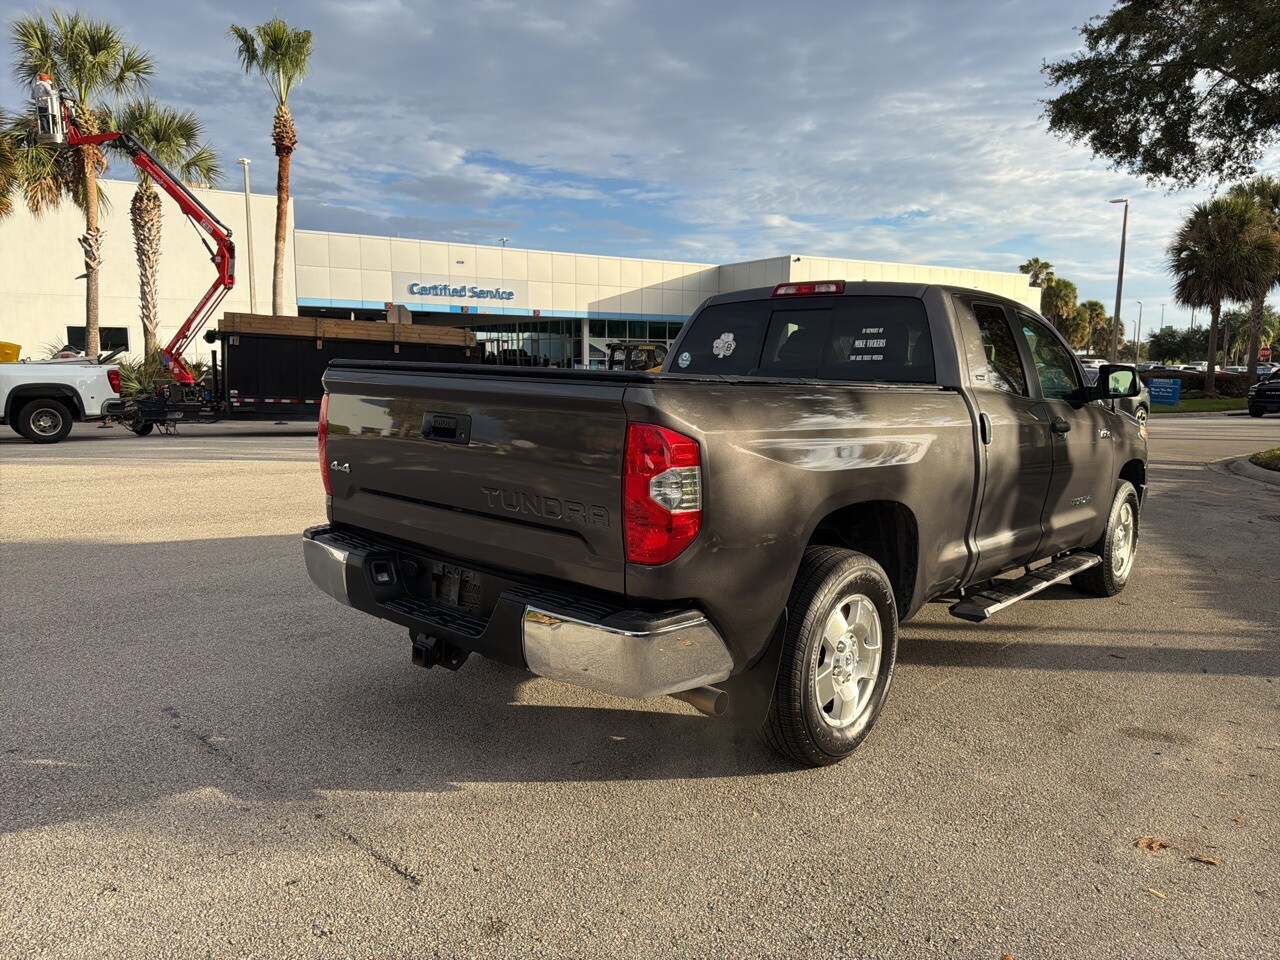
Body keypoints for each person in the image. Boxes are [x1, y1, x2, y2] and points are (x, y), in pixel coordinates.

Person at [33, 73, 56, 138]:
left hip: (38, 104)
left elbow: (33, 96)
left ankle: (46, 130)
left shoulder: (35, 86)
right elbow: (50, 92)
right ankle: (51, 130)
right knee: (47, 116)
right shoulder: (45, 84)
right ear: (46, 79)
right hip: (46, 103)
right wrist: (56, 92)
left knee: (42, 117)